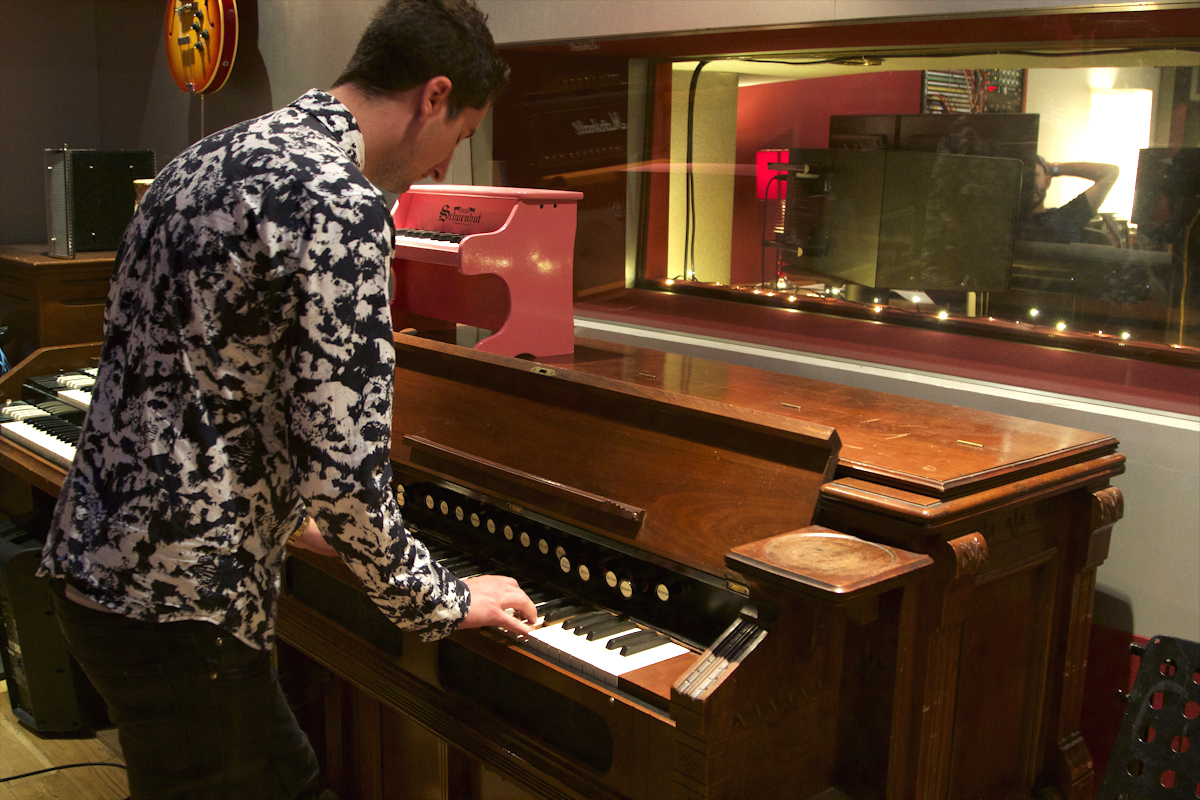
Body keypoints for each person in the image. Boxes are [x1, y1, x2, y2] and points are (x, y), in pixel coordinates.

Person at [37, 1, 537, 798]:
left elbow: (194, 372)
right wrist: (439, 601)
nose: (444, 166)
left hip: (92, 566)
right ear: (433, 96)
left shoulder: (201, 160)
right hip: (184, 603)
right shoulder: (337, 202)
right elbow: (344, 468)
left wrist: (291, 513)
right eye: (459, 136)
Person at [1021, 155, 1120, 243]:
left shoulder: (1063, 219)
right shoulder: (1010, 223)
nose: (1028, 183)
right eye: (1022, 177)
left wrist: (1054, 168)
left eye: (1033, 175)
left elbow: (1111, 173)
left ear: (1047, 182)